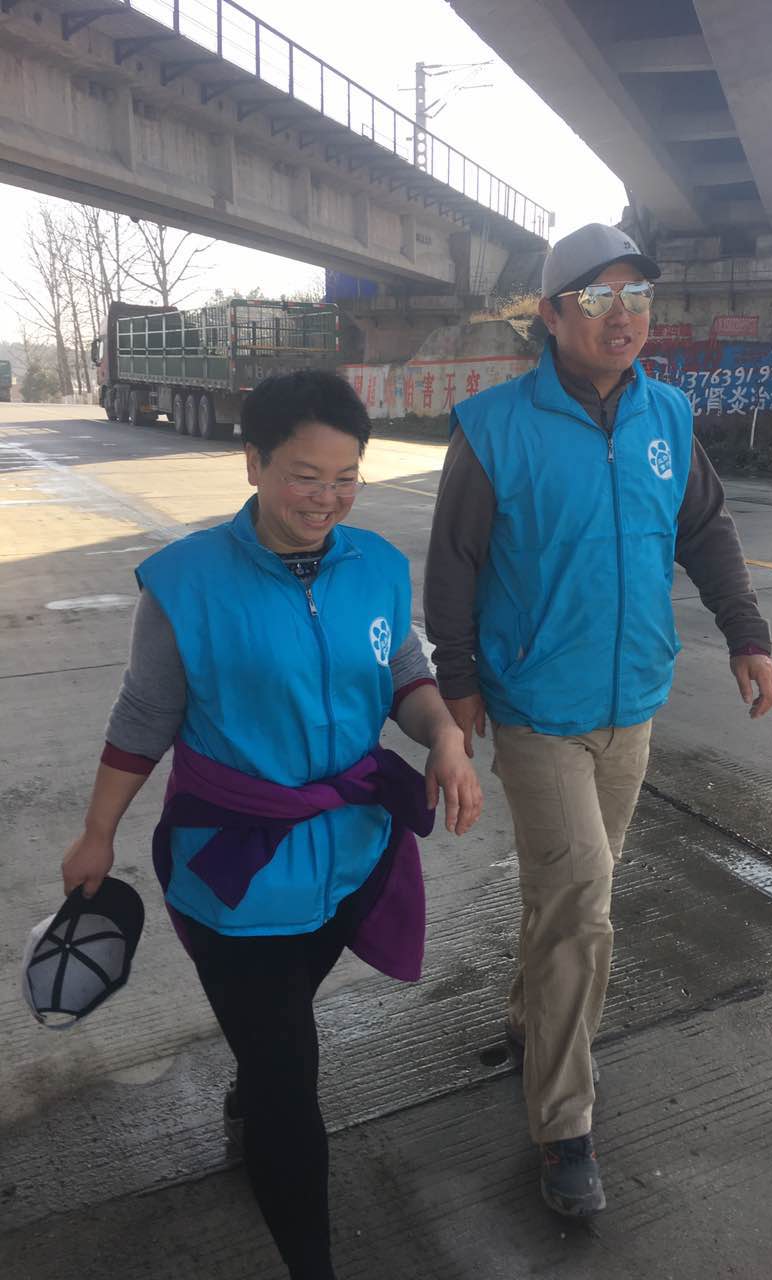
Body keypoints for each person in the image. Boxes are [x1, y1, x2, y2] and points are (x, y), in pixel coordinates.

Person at [61, 369, 482, 1280]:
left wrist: (443, 733)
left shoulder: (376, 566)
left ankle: (253, 1077)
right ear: (252, 463)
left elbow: (402, 672)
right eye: (304, 475)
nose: (327, 497)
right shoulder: (185, 584)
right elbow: (144, 718)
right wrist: (97, 832)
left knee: (277, 1036)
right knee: (293, 1087)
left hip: (349, 858)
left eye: (346, 477)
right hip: (235, 873)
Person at [425, 223, 772, 1218]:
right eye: (598, 297)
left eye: (637, 296)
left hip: (633, 701)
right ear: (551, 314)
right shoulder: (494, 427)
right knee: (582, 900)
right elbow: (454, 562)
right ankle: (564, 1123)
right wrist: (459, 685)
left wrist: (746, 632)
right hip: (537, 707)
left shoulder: (667, 413)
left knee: (572, 889)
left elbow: (705, 528)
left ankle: (532, 1019)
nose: (623, 316)